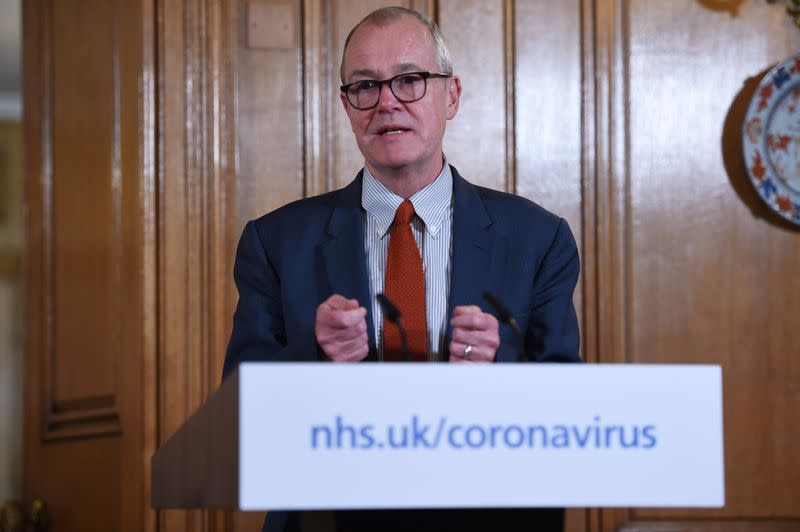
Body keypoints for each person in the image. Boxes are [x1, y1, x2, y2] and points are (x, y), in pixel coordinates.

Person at [223, 6, 580, 532]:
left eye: (410, 80)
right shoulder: (275, 243)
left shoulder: (538, 239)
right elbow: (237, 416)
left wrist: (497, 372)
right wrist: (315, 358)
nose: (387, 101)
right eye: (365, 87)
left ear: (451, 96)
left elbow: (570, 414)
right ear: (347, 106)